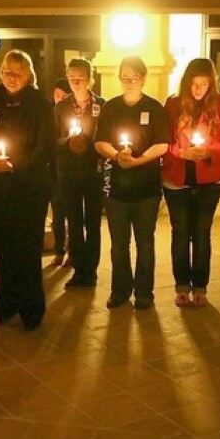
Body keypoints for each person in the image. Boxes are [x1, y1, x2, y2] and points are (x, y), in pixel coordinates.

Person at [0, 50, 54, 329]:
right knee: (3, 247)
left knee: (28, 248)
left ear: (29, 75)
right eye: (6, 71)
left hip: (29, 186)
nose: (10, 77)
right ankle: (6, 303)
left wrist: (14, 164)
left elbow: (44, 147)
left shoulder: (41, 106)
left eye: (16, 73)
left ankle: (31, 308)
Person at [94, 56, 171, 310]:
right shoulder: (111, 107)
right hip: (116, 187)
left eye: (133, 78)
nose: (128, 82)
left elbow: (162, 144)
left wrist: (138, 161)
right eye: (124, 77)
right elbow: (100, 141)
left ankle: (144, 292)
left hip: (146, 187)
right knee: (119, 244)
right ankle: (120, 290)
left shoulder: (155, 107)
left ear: (143, 78)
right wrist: (116, 155)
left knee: (145, 242)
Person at [162, 58, 220, 307]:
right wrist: (179, 152)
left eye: (203, 84)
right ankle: (182, 285)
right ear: (186, 83)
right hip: (177, 178)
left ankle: (201, 287)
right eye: (194, 84)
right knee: (180, 233)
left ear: (211, 84)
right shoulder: (173, 104)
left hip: (208, 179)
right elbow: (162, 142)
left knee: (202, 234)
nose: (198, 89)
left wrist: (209, 152)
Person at [54, 58, 105, 288]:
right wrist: (68, 142)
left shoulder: (102, 105)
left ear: (90, 78)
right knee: (73, 221)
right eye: (71, 77)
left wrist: (91, 145)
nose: (75, 82)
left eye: (81, 77)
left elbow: (107, 135)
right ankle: (78, 270)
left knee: (93, 222)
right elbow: (52, 139)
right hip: (69, 173)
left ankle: (91, 270)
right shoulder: (60, 108)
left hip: (93, 171)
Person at [48, 77, 72, 267]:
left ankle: (73, 249)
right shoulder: (51, 115)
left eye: (65, 96)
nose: (60, 99)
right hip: (55, 170)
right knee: (58, 213)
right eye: (57, 96)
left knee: (73, 214)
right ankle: (58, 250)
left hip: (72, 171)